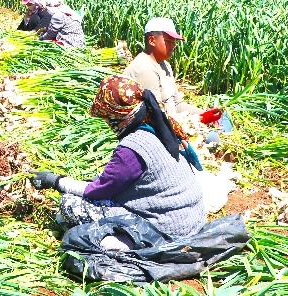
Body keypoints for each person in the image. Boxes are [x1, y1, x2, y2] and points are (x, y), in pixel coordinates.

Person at [31, 74, 206, 245]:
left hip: (169, 230)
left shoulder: (133, 147)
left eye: (109, 118)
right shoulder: (159, 129)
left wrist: (56, 181)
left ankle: (126, 245)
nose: (108, 123)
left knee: (69, 204)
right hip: (193, 219)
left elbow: (97, 191)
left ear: (123, 116)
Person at [123, 17, 232, 141]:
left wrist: (203, 114)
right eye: (168, 41)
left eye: (174, 41)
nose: (173, 45)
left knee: (224, 117)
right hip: (158, 130)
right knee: (213, 138)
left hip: (174, 121)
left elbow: (177, 104)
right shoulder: (145, 69)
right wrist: (196, 122)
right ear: (152, 40)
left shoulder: (165, 66)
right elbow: (156, 116)